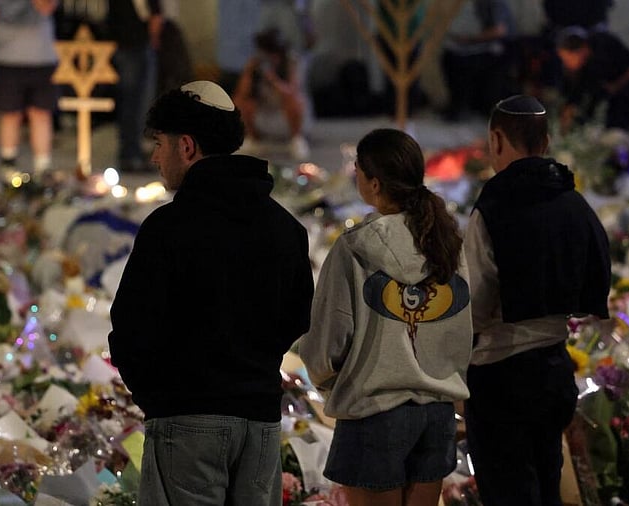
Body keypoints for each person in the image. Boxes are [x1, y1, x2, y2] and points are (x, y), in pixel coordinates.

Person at [108, 80, 314, 505]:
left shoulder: (168, 228)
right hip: (259, 424)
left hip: (187, 425)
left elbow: (130, 331)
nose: (153, 156)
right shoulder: (284, 228)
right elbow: (298, 317)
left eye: (159, 144)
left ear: (186, 146)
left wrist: (163, 402)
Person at [299, 129, 473, 506]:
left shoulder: (354, 250)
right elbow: (462, 330)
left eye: (358, 171)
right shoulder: (448, 243)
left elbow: (329, 340)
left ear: (373, 183)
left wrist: (330, 384)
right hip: (437, 413)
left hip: (374, 412)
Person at [463, 95, 611, 506]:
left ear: (496, 139)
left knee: (509, 492)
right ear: (545, 142)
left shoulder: (493, 206)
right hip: (554, 368)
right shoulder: (573, 202)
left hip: (499, 378)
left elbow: (475, 299)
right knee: (547, 486)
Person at [0, 0, 58, 176]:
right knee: (9, 113)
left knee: (41, 113)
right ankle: (9, 164)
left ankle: (42, 167)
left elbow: (46, 7)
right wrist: (5, 37)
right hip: (8, 59)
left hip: (41, 58)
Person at [233, 27, 311, 160]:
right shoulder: (256, 64)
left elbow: (292, 92)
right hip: (263, 112)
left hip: (288, 114)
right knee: (240, 101)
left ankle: (296, 140)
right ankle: (252, 138)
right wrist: (248, 72)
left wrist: (273, 79)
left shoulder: (291, 62)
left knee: (295, 100)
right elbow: (241, 94)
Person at [106, 0, 163, 173]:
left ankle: (131, 153)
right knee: (135, 103)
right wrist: (153, 39)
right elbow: (153, 15)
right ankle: (131, 155)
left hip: (124, 44)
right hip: (135, 45)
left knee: (131, 103)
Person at [556, 26, 629, 131]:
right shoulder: (585, 64)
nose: (566, 63)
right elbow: (579, 88)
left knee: (618, 119)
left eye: (567, 58)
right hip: (610, 87)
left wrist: (616, 85)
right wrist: (569, 107)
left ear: (580, 50)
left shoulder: (604, 46)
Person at [440, 0, 517, 121]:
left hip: (492, 49)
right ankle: (458, 105)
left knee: (464, 63)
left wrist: (467, 40)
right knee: (450, 58)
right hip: (465, 47)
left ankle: (473, 107)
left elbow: (499, 30)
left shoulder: (493, 3)